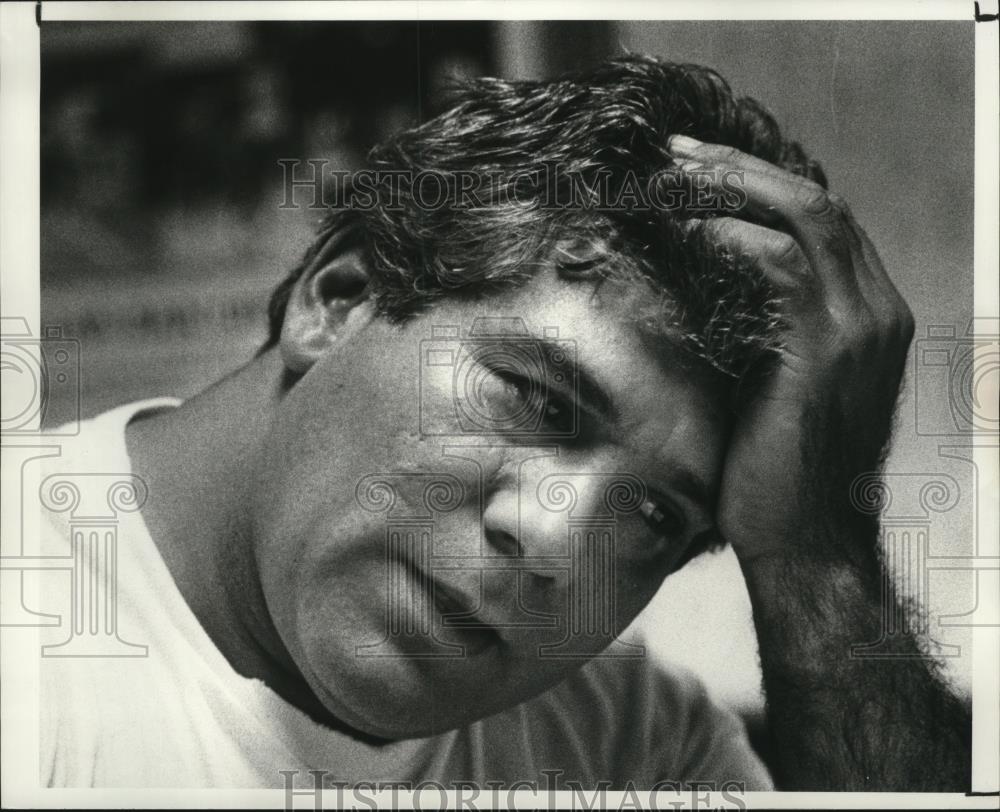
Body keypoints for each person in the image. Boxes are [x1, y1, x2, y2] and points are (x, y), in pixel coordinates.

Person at [39, 55, 969, 791]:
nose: (556, 543)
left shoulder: (634, 747)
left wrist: (820, 546)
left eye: (651, 517)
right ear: (340, 298)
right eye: (538, 401)